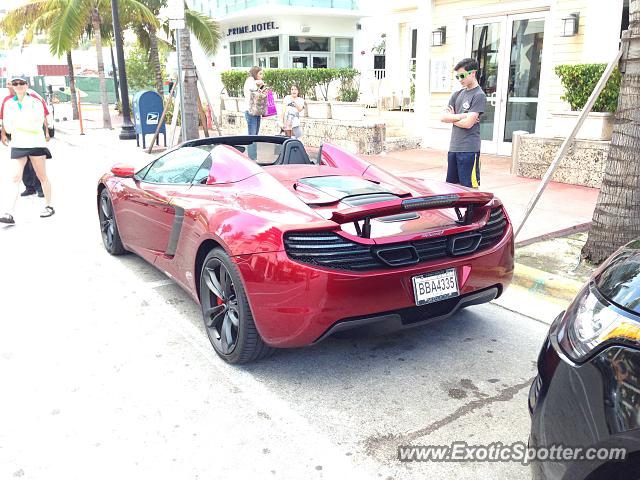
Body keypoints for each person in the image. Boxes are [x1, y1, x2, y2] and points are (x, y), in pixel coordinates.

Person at [0, 74, 54, 224]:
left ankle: (49, 206)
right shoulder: (9, 103)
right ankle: (9, 212)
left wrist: (19, 123)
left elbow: (37, 123)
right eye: (15, 83)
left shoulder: (35, 102)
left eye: (21, 83)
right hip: (18, 144)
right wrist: (22, 123)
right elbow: (9, 126)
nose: (18, 86)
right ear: (12, 85)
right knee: (15, 178)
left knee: (42, 176)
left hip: (36, 143)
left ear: (27, 85)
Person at [440, 58, 486, 189]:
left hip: (469, 149)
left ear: (473, 73)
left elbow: (468, 124)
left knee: (469, 188)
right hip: (454, 148)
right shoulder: (457, 94)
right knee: (452, 187)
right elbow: (443, 117)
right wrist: (463, 115)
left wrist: (452, 118)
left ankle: (471, 211)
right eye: (457, 76)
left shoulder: (479, 95)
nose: (460, 79)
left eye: (462, 75)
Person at [0, 82, 47, 197]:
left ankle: (40, 188)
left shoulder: (33, 98)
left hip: (33, 140)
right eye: (11, 84)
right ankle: (29, 187)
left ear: (25, 85)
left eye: (18, 83)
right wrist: (3, 134)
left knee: (34, 165)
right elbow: (3, 118)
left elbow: (43, 115)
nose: (13, 86)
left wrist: (46, 132)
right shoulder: (7, 100)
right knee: (22, 166)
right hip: (18, 139)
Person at [243, 66, 265, 160]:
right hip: (251, 112)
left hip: (256, 112)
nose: (262, 76)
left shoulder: (253, 82)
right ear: (255, 73)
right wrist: (259, 83)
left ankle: (253, 158)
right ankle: (252, 159)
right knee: (252, 136)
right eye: (260, 73)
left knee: (255, 136)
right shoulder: (250, 80)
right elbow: (252, 86)